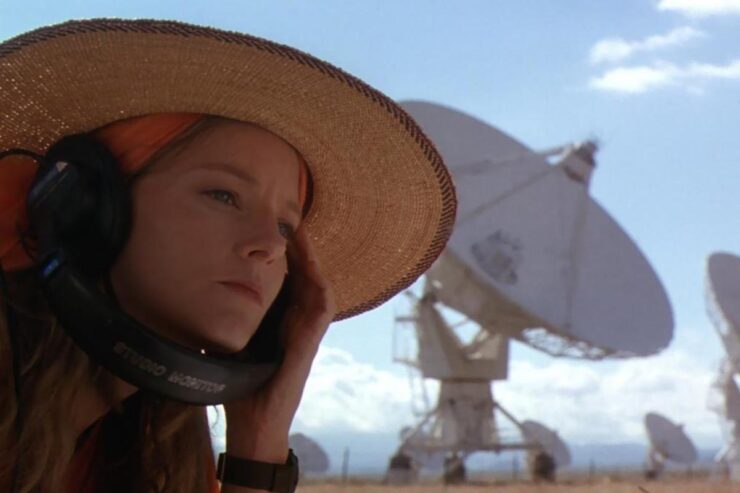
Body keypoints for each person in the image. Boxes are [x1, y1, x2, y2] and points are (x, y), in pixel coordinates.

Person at [0, 18, 456, 493]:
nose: (269, 245)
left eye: (286, 226)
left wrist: (259, 441)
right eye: (223, 196)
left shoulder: (154, 451)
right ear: (82, 207)